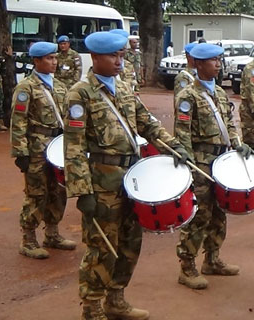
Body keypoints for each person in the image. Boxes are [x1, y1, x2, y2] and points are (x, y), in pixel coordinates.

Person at [63, 31, 186, 319]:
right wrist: (81, 191)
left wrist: (173, 145)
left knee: (131, 242)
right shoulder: (80, 94)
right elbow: (74, 145)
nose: (119, 61)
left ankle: (116, 299)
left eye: (121, 56)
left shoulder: (125, 86)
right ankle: (92, 306)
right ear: (95, 58)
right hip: (102, 182)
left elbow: (147, 123)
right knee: (102, 247)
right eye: (113, 56)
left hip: (132, 177)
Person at [174, 43, 250, 290]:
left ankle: (213, 259)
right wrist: (190, 167)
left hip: (221, 161)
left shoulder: (219, 92)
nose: (218, 64)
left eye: (219, 60)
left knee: (219, 213)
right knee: (199, 216)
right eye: (213, 60)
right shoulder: (188, 95)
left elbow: (229, 124)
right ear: (197, 64)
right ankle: (187, 267)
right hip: (201, 163)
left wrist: (238, 143)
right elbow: (182, 133)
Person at [10, 41, 75, 260]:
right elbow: (18, 121)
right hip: (36, 147)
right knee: (36, 192)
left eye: (55, 58)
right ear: (36, 61)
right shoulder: (25, 88)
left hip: (57, 147)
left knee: (58, 190)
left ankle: (52, 234)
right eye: (49, 58)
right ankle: (28, 239)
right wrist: (21, 152)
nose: (54, 62)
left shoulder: (59, 86)